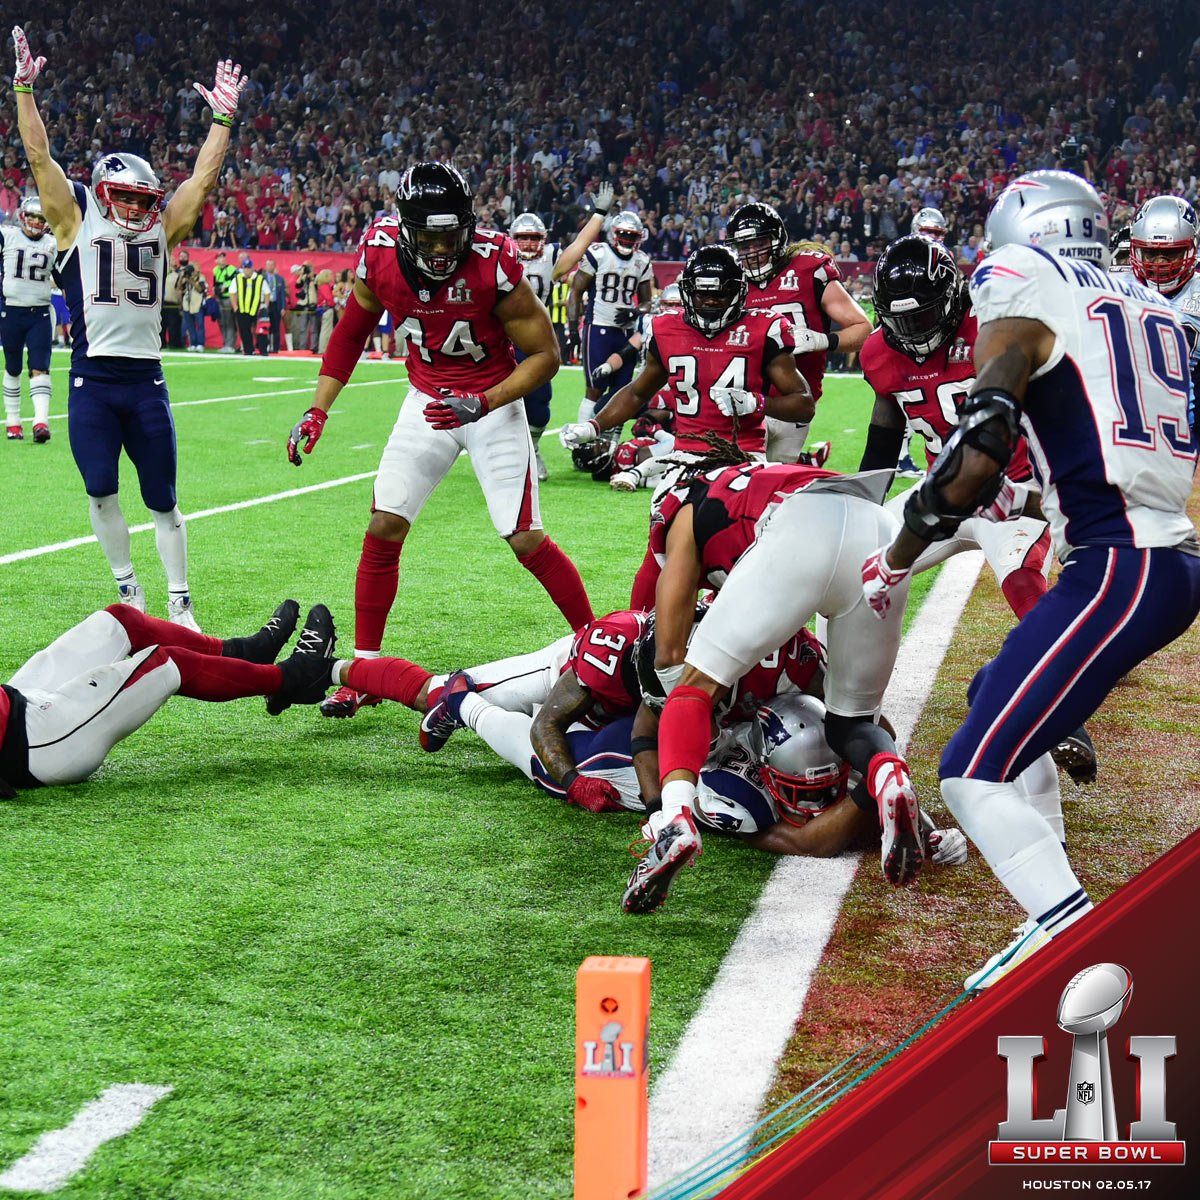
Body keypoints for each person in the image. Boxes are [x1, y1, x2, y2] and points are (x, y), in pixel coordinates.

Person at [859, 171, 1200, 990]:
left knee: (969, 770)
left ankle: (1074, 942)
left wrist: (898, 551)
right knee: (995, 698)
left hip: (1121, 561)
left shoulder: (1025, 280)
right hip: (1157, 560)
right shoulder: (1146, 301)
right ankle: (1050, 919)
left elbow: (978, 452)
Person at [284, 162, 593, 718]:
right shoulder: (378, 255)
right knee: (385, 522)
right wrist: (317, 408)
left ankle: (599, 650)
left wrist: (486, 401)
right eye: (431, 236)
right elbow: (352, 333)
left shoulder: (493, 262)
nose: (444, 247)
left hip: (490, 402)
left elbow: (547, 354)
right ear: (406, 229)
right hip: (427, 399)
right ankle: (365, 671)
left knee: (523, 536)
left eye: (452, 234)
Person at [12, 29, 248, 631]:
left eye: (146, 200)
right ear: (104, 192)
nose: (138, 210)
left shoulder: (161, 227)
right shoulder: (74, 217)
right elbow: (39, 158)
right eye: (126, 198)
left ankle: (180, 603)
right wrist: (24, 91)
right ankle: (129, 590)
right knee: (99, 491)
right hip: (93, 379)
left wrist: (222, 120)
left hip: (145, 381)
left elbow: (200, 181)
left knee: (163, 498)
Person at [625, 453, 920, 914]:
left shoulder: (686, 504)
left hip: (802, 526)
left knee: (693, 687)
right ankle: (888, 772)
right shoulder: (763, 477)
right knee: (854, 721)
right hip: (879, 531)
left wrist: (689, 710)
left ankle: (675, 820)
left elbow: (667, 653)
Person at [860, 235, 1098, 783]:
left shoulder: (992, 328)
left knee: (1022, 583)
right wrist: (866, 497)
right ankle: (845, 703)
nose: (913, 333)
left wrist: (1045, 492)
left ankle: (1066, 718)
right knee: (859, 565)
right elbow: (884, 431)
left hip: (1014, 492)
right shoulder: (878, 353)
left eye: (923, 316)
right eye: (903, 321)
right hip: (942, 494)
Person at [560, 246, 815, 610]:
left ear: (738, 291)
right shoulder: (665, 328)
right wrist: (594, 424)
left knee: (743, 561)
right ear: (688, 292)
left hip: (743, 460)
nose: (710, 302)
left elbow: (803, 401)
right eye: (702, 293)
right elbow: (636, 392)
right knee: (660, 551)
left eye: (719, 293)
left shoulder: (765, 328)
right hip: (685, 460)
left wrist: (757, 402)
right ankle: (638, 630)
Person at [0, 601, 335, 797]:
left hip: (17, 701)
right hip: (35, 743)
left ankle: (246, 652)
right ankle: (292, 680)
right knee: (169, 663)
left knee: (121, 620)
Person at [726, 202, 872, 461]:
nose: (751, 253)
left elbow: (863, 329)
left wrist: (820, 340)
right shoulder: (733, 281)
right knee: (739, 482)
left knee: (775, 483)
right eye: (743, 246)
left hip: (795, 405)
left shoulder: (807, 269)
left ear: (776, 239)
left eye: (758, 243)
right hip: (747, 400)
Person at [509, 181, 614, 480]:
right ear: (511, 239)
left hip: (535, 340)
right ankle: (502, 457)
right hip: (501, 340)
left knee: (540, 402)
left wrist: (598, 214)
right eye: (522, 238)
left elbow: (578, 246)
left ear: (543, 239)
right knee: (499, 402)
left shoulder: (550, 258)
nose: (528, 244)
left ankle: (534, 448)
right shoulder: (499, 258)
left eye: (533, 238)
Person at [568, 210, 654, 430]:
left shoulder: (642, 261)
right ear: (614, 234)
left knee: (622, 390)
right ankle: (581, 440)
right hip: (598, 327)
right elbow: (576, 291)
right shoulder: (598, 253)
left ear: (639, 237)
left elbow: (647, 302)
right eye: (623, 233)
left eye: (631, 235)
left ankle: (609, 444)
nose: (627, 239)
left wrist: (635, 312)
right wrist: (573, 329)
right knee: (595, 388)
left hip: (626, 333)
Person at [1127, 195, 1200, 423]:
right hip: (1124, 420)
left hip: (1184, 425)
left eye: (1170, 254)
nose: (1159, 263)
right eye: (1150, 253)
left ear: (1191, 249)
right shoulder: (1115, 286)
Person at [0, 194, 54, 442]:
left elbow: (66, 279)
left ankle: (40, 422)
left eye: (40, 217)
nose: (34, 222)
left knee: (40, 367)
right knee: (13, 367)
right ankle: (13, 421)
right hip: (11, 309)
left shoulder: (53, 244)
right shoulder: (8, 236)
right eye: (31, 216)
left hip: (40, 312)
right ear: (22, 216)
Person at [232, 256, 264, 356]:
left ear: (252, 268)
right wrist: (235, 307)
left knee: (258, 330)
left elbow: (267, 292)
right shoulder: (238, 278)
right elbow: (232, 293)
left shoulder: (259, 278)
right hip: (242, 308)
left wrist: (265, 306)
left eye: (248, 267)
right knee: (244, 330)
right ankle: (248, 349)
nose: (246, 270)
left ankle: (262, 348)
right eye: (245, 267)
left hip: (256, 308)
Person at [211, 250, 237, 352]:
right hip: (219, 298)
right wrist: (217, 290)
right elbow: (215, 284)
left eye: (223, 257)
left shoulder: (231, 269)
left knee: (229, 321)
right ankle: (226, 343)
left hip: (228, 298)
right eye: (220, 257)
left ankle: (230, 345)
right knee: (221, 322)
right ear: (216, 260)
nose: (223, 259)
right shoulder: (215, 270)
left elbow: (233, 283)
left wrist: (223, 288)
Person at [179, 260, 207, 351]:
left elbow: (200, 289)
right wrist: (181, 277)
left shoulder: (201, 277)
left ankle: (200, 344)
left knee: (200, 325)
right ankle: (193, 344)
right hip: (187, 304)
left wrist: (191, 281)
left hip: (197, 304)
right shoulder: (186, 277)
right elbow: (179, 288)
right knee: (190, 326)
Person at [262, 259, 287, 354]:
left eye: (272, 265)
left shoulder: (279, 279)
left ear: (274, 266)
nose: (270, 267)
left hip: (276, 304)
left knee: (276, 327)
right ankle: (265, 346)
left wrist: (283, 307)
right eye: (268, 265)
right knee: (265, 326)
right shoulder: (262, 278)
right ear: (266, 266)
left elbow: (282, 295)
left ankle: (276, 348)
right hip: (266, 304)